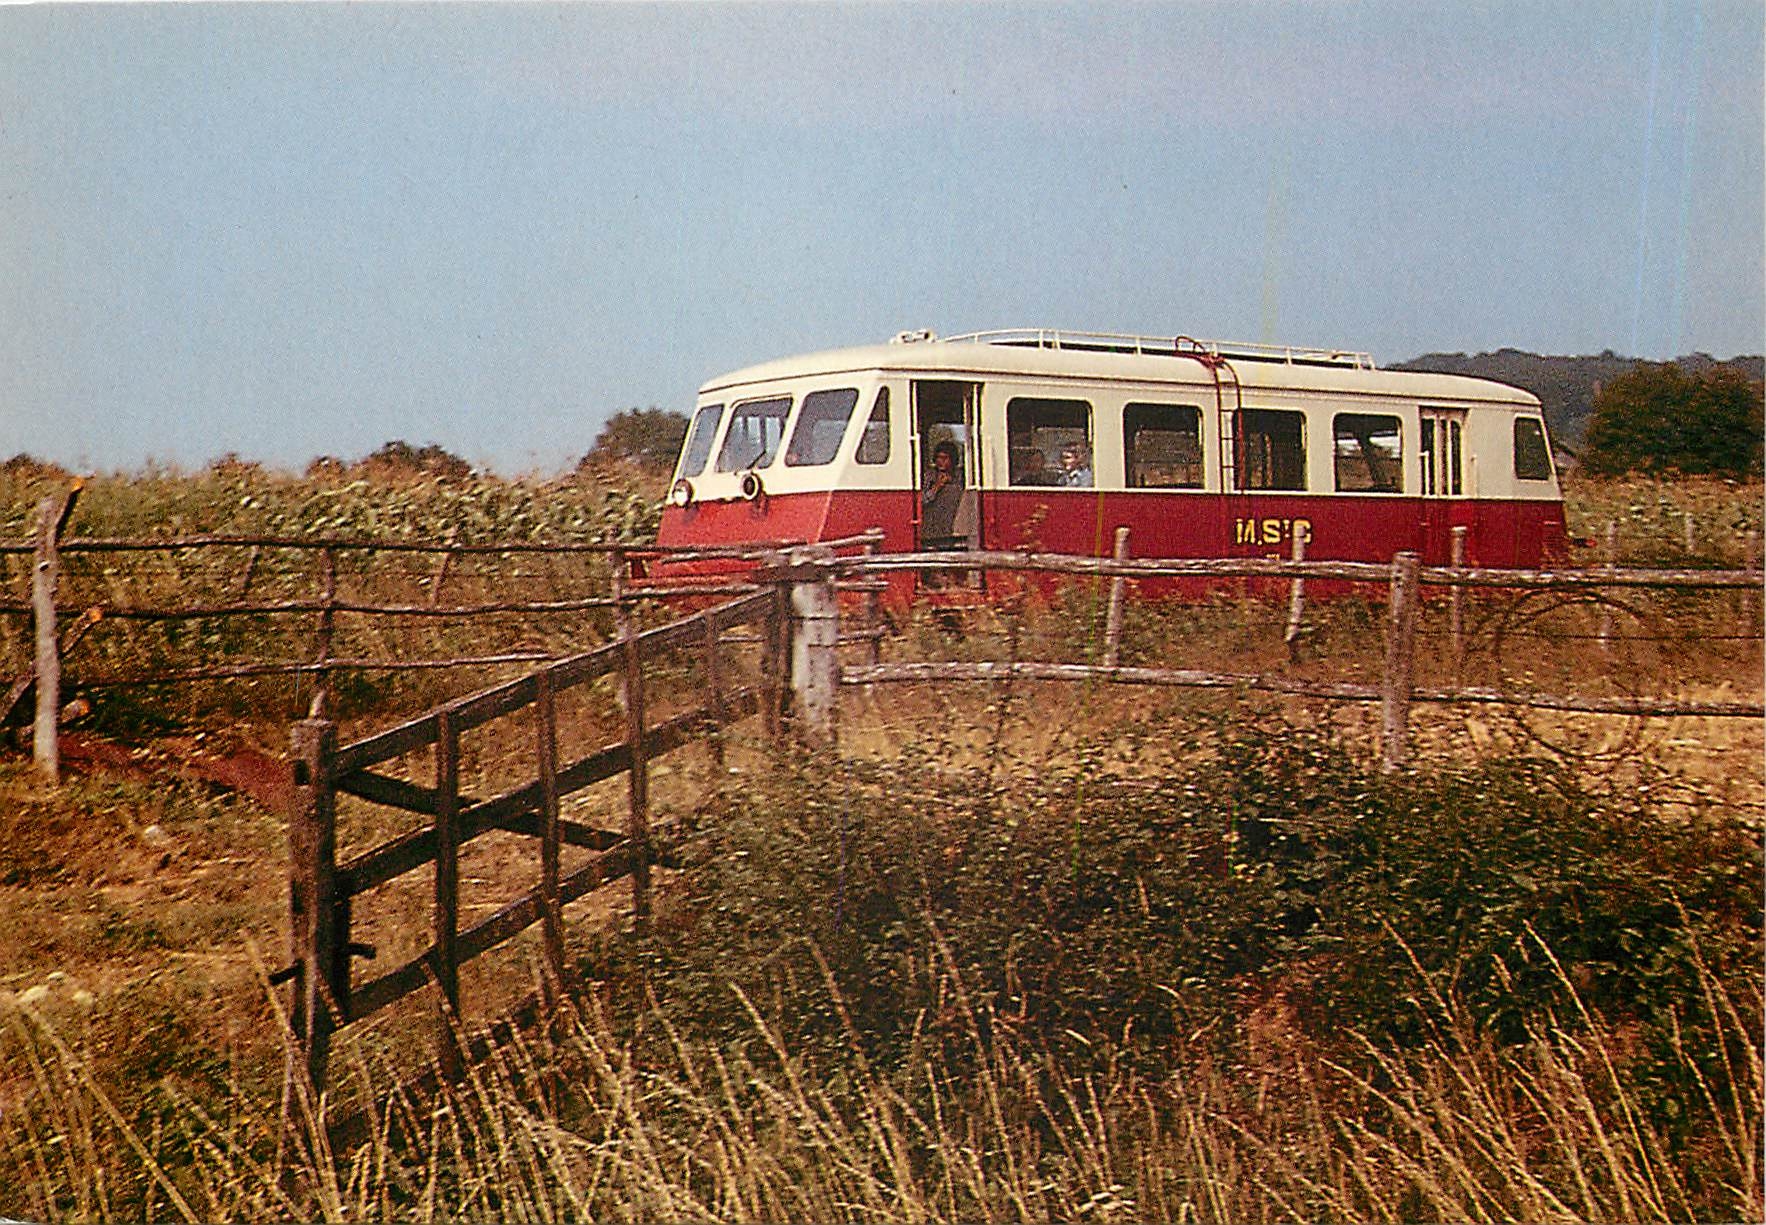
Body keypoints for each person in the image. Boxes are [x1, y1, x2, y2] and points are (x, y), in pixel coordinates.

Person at [921, 440, 965, 548]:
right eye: (938, 458)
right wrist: (937, 487)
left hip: (954, 527)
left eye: (945, 458)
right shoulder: (929, 477)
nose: (941, 462)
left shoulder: (961, 476)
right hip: (933, 530)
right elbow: (922, 500)